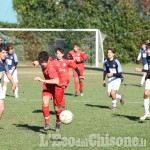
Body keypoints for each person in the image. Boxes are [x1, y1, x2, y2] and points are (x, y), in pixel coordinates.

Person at [52, 47, 84, 131]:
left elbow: (75, 67)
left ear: (62, 54)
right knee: (57, 105)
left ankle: (58, 121)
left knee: (57, 107)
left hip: (62, 84)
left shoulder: (66, 62)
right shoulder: (53, 63)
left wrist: (80, 75)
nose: (58, 55)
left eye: (60, 53)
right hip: (54, 84)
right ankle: (63, 109)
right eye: (57, 53)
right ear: (55, 54)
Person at [33, 51, 59, 131]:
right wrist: (36, 62)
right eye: (42, 62)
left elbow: (56, 81)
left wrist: (42, 80)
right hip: (47, 86)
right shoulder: (45, 60)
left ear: (47, 60)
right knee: (45, 102)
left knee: (56, 108)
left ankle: (58, 122)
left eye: (44, 62)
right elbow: (42, 60)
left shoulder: (50, 68)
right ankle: (47, 122)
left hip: (56, 87)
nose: (43, 64)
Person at [0, 44, 16, 119]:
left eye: (6, 52)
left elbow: (8, 73)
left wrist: (13, 83)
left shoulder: (4, 62)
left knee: (1, 109)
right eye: (3, 52)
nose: (5, 54)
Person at [135, 43, 150, 120]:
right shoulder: (148, 57)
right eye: (147, 50)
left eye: (148, 50)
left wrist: (140, 70)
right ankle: (147, 112)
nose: (147, 51)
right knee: (146, 93)